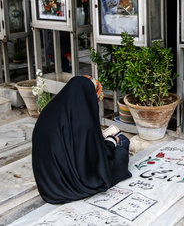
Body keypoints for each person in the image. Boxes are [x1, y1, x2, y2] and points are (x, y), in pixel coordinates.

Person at [32, 75, 132, 204]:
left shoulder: (50, 110)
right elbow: (92, 159)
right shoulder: (83, 121)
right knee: (122, 144)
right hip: (73, 184)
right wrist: (111, 142)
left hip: (48, 186)